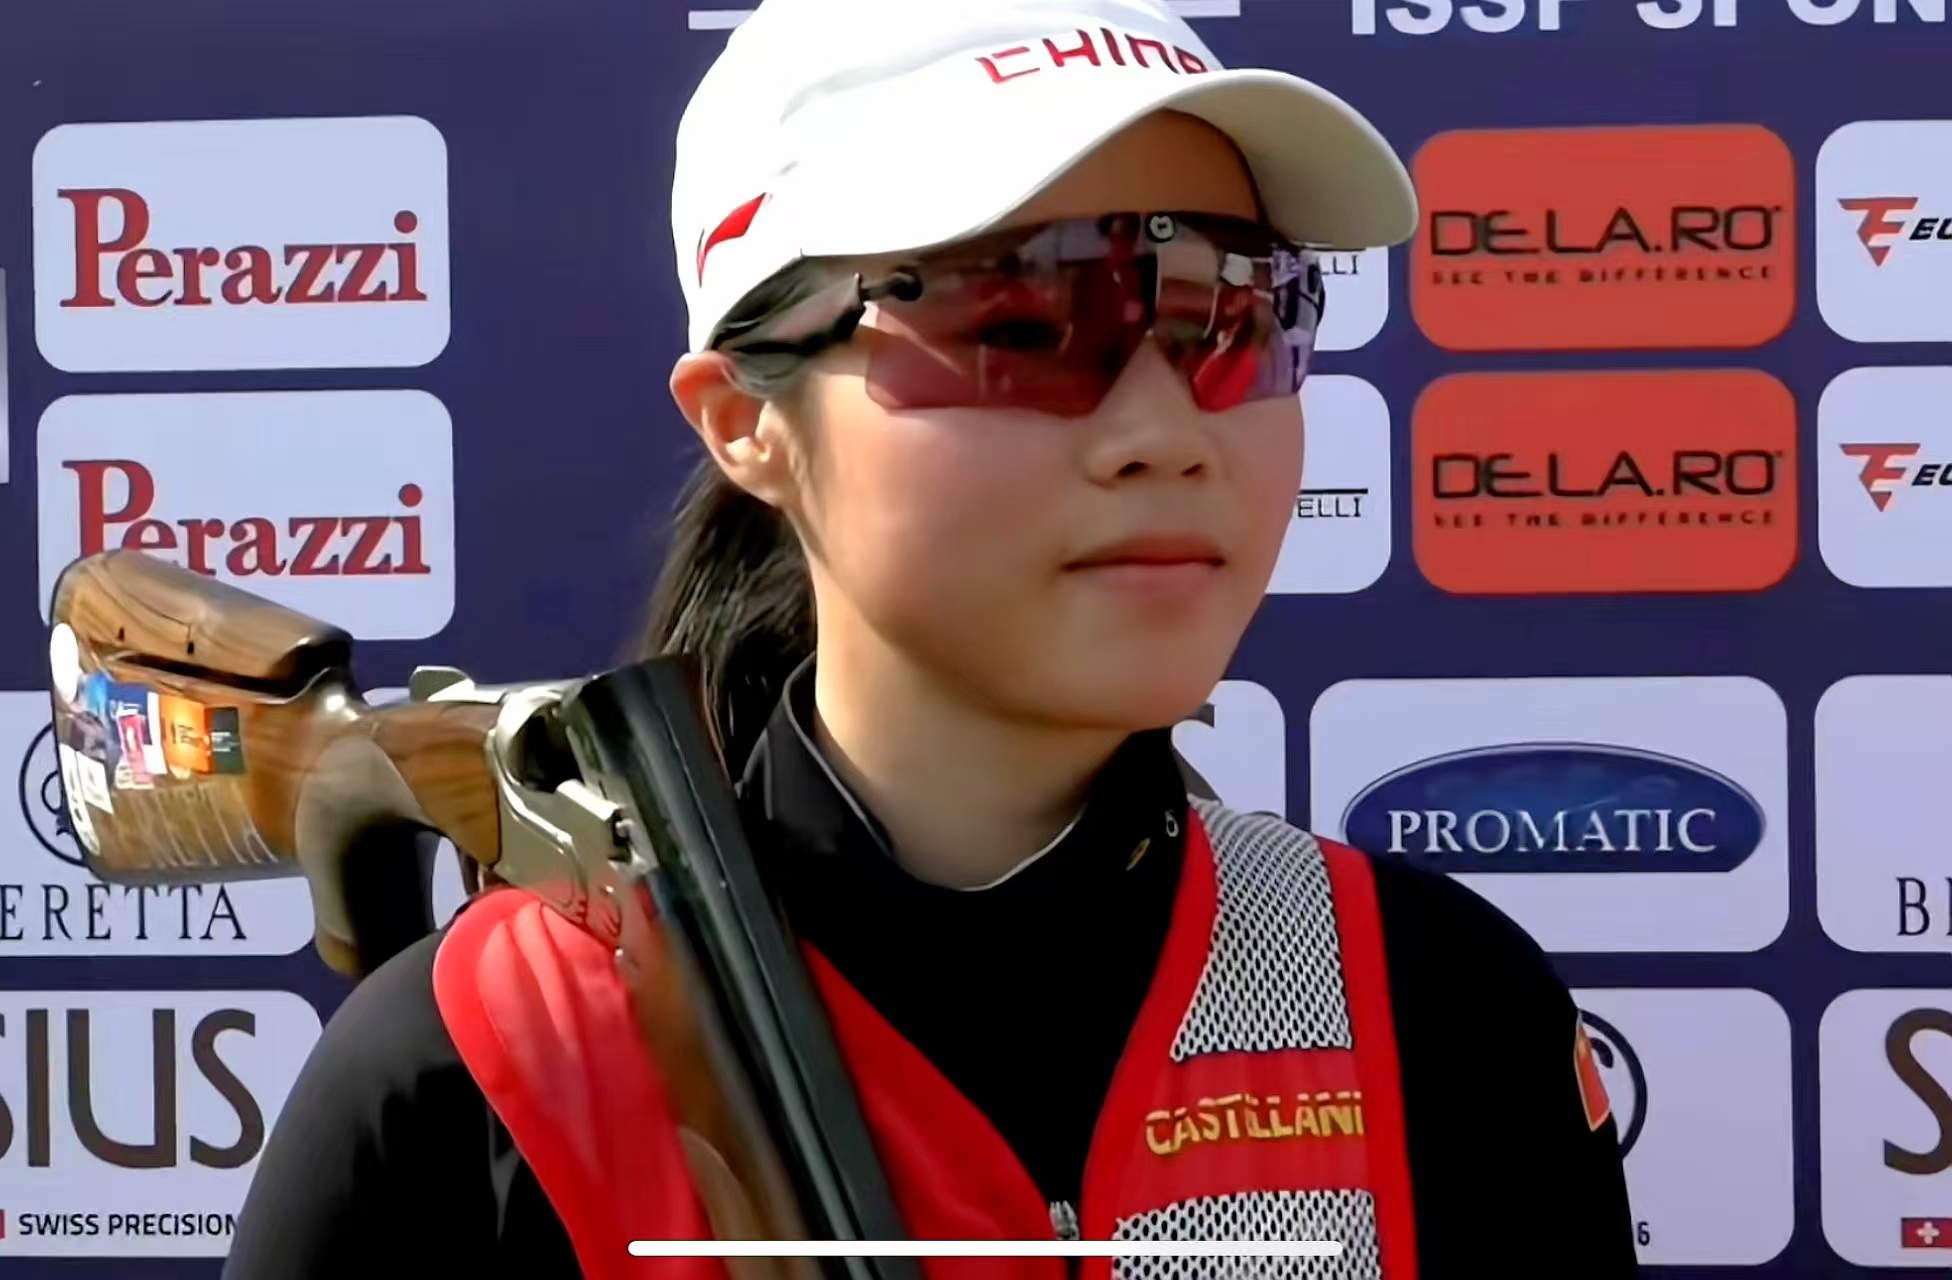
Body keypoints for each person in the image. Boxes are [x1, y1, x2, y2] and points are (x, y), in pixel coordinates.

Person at [222, 0, 1639, 1276]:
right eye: (1019, 324)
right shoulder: (472, 1070)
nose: (1164, 429)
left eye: (1231, 314)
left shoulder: (1441, 1012)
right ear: (745, 422)